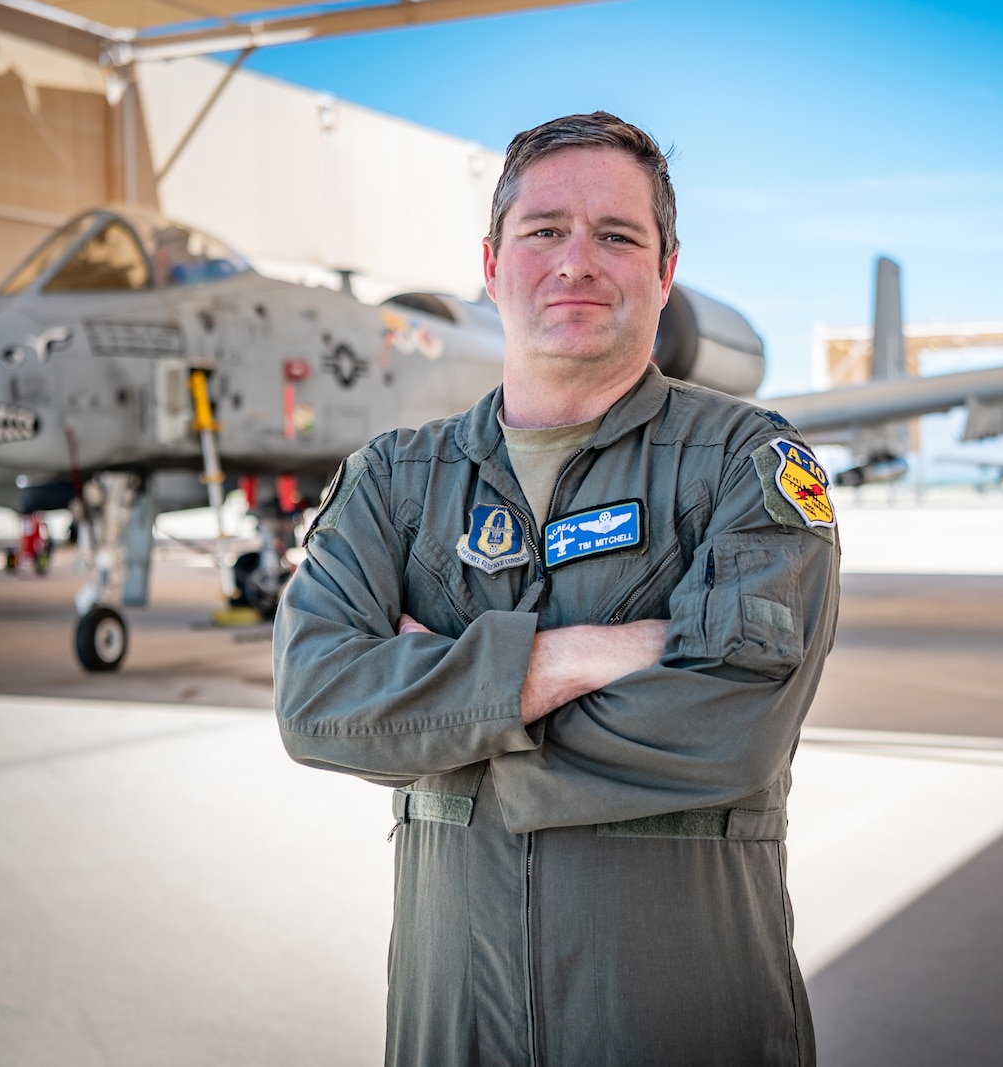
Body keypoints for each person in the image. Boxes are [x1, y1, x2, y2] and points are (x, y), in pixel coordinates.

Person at [274, 111, 840, 1066]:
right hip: (450, 1025)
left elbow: (732, 723)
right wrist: (577, 655)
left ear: (665, 274)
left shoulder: (745, 464)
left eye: (617, 235)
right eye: (544, 232)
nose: (576, 261)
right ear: (492, 265)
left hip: (681, 1025)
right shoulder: (394, 480)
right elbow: (317, 704)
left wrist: (438, 706)